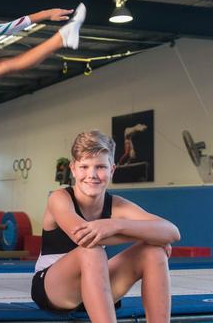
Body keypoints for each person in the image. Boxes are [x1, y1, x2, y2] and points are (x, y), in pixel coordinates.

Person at [31, 130, 180, 323]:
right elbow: (83, 237)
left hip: (96, 286)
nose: (92, 175)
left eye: (100, 167)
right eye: (84, 167)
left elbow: (171, 232)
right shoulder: (59, 199)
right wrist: (143, 233)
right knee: (91, 250)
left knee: (154, 251)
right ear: (73, 169)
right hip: (55, 287)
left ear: (112, 170)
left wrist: (115, 224)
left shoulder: (117, 205)